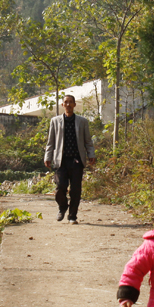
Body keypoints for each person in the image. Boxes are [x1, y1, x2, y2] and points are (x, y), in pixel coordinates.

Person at [43, 94, 95, 224]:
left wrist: (91, 154)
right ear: (62, 105)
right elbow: (51, 142)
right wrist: (47, 157)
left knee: (75, 190)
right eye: (66, 102)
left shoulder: (82, 121)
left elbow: (88, 141)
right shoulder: (55, 121)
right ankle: (62, 206)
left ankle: (72, 216)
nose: (68, 104)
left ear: (74, 105)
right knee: (60, 187)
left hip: (77, 161)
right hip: (61, 160)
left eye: (71, 102)